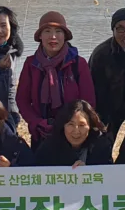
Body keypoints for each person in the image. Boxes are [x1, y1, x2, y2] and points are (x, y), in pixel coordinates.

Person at [16, 12, 95, 146]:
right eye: (47, 31)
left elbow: (89, 101)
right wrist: (36, 122)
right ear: (40, 36)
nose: (53, 37)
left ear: (65, 36)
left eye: (58, 31)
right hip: (41, 132)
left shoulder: (78, 64)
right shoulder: (31, 64)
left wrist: (72, 124)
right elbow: (22, 100)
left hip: (73, 133)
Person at [34, 101, 114, 167]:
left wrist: (88, 172)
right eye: (71, 124)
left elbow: (108, 178)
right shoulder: (48, 148)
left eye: (82, 125)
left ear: (90, 126)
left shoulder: (101, 146)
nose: (76, 131)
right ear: (63, 125)